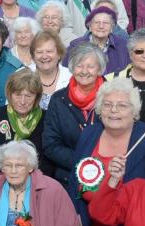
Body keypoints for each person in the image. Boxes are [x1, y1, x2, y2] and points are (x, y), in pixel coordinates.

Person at [69, 78, 145, 226]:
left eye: (122, 105)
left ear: (134, 111)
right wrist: (77, 216)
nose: (114, 110)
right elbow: (73, 179)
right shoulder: (89, 134)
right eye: (107, 104)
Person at [43, 44, 106, 184]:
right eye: (79, 66)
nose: (84, 71)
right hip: (68, 177)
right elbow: (50, 144)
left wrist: (100, 164)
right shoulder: (59, 100)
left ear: (100, 69)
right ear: (72, 68)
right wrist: (84, 162)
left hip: (106, 177)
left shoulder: (112, 97)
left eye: (90, 66)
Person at [0, 70, 51, 177]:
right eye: (18, 95)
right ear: (9, 94)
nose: (22, 101)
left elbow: (49, 160)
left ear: (37, 97)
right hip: (1, 181)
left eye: (28, 96)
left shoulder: (47, 119)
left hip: (36, 182)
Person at [65, 6, 130, 76]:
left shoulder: (123, 46)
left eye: (105, 23)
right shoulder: (75, 46)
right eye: (96, 22)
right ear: (89, 26)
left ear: (112, 27)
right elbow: (66, 75)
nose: (101, 26)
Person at [32, 29, 72, 110]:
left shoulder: (71, 78)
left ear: (59, 54)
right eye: (39, 52)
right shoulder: (22, 75)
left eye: (49, 51)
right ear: (33, 56)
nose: (44, 56)